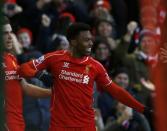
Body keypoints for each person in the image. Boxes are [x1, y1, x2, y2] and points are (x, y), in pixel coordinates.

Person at [19, 23, 151, 131]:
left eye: (91, 40)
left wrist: (142, 109)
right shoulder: (55, 58)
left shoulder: (96, 66)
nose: (90, 44)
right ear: (74, 42)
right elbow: (23, 69)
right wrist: (40, 75)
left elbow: (116, 91)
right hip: (60, 126)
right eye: (86, 40)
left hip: (86, 126)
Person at [2, 17, 51, 131]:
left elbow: (26, 87)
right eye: (5, 33)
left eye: (11, 32)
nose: (10, 37)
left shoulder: (11, 59)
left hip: (18, 122)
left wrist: (54, 93)